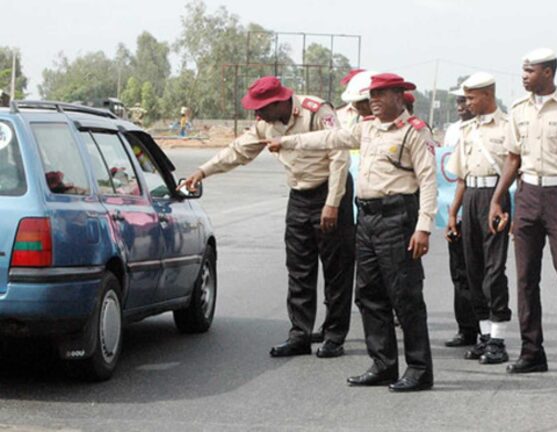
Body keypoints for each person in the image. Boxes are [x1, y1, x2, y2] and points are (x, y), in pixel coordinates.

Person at [268, 73, 437, 392]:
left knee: (404, 296)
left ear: (399, 96)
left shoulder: (414, 131)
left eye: (381, 94)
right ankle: (384, 364)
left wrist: (423, 227)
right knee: (369, 294)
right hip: (368, 218)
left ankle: (418, 368)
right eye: (371, 94)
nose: (373, 100)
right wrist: (287, 142)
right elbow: (328, 139)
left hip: (397, 216)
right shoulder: (368, 127)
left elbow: (427, 181)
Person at [180, 76, 355, 359]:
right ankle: (299, 334)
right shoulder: (266, 123)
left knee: (336, 269)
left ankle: (334, 335)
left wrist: (332, 203)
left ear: (278, 102)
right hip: (299, 195)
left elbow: (339, 156)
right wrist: (202, 171)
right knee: (299, 269)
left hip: (331, 193)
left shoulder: (317, 110)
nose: (256, 114)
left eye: (260, 108)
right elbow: (238, 151)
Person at [488, 48, 557, 373]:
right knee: (526, 278)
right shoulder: (518, 110)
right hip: (526, 194)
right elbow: (512, 158)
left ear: (548, 72)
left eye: (529, 71)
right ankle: (531, 352)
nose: (524, 76)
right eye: (523, 70)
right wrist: (499, 198)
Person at [447, 72, 512, 364]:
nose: (467, 103)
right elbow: (461, 176)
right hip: (471, 197)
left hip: (495, 199)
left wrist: (509, 208)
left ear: (487, 95)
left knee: (493, 271)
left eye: (471, 97)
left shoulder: (508, 126)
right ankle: (485, 336)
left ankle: (498, 339)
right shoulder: (467, 129)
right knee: (473, 270)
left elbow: (516, 169)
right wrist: (453, 212)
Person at [442, 80, 482, 348]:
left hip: (482, 203)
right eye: (458, 101)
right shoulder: (453, 131)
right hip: (456, 205)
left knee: (481, 270)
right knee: (459, 271)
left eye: (465, 100)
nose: (461, 106)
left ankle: (487, 330)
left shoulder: (492, 128)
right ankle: (466, 328)